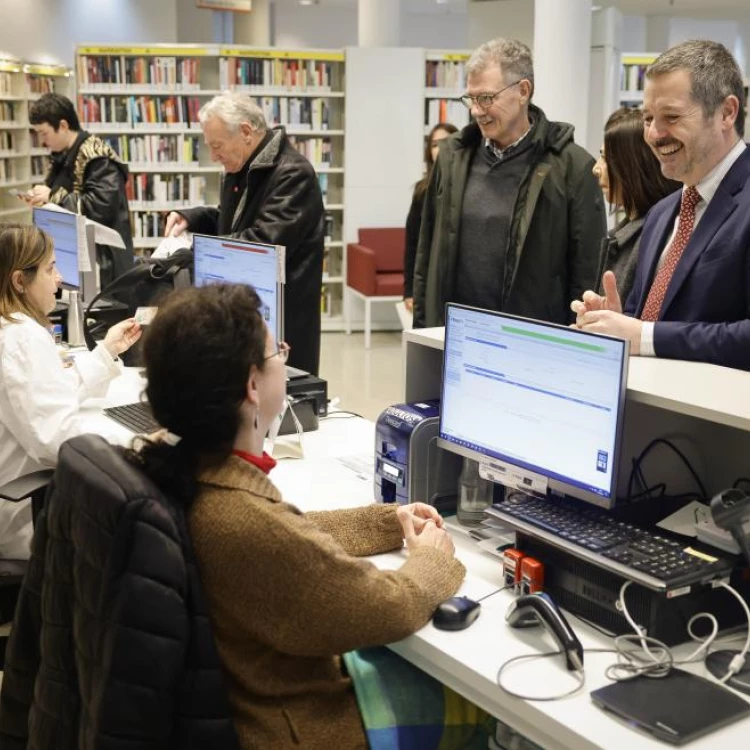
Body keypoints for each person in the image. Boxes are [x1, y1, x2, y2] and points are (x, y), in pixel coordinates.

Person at [127, 283, 469, 750]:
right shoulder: (237, 519)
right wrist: (432, 560)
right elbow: (387, 607)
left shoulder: (192, 468)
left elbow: (287, 537)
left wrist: (385, 522)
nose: (284, 362)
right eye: (277, 354)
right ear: (252, 385)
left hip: (259, 698)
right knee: (488, 714)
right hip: (299, 725)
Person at [572, 40, 750, 371]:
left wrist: (643, 336)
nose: (654, 134)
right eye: (648, 117)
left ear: (727, 112)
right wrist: (612, 322)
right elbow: (648, 321)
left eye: (671, 116)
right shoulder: (663, 213)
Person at [413, 38, 605, 329]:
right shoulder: (452, 157)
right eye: (471, 98)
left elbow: (587, 272)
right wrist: (423, 330)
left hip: (531, 341)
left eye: (487, 98)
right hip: (456, 334)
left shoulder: (573, 167)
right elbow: (426, 252)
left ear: (523, 91)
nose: (477, 110)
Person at [0, 224, 141, 559]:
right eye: (50, 269)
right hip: (23, 513)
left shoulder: (11, 329)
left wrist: (106, 351)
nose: (59, 278)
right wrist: (137, 445)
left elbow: (44, 396)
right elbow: (57, 440)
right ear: (20, 281)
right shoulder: (23, 338)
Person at [163, 92, 325, 376]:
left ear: (246, 132)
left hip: (281, 319)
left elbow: (264, 242)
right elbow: (232, 223)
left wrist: (198, 255)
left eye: (217, 146)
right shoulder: (242, 167)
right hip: (247, 310)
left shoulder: (293, 174)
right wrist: (194, 217)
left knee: (278, 404)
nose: (214, 156)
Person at [25, 93, 135, 291]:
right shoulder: (62, 156)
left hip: (104, 269)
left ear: (64, 126)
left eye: (44, 133)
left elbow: (101, 207)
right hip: (76, 260)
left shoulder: (97, 156)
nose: (42, 141)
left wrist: (51, 196)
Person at [593, 107, 680, 302]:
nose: (596, 168)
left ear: (636, 165)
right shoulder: (627, 234)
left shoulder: (653, 240)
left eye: (607, 159)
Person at [403, 122, 458, 313]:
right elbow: (412, 244)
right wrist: (409, 291)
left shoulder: (469, 189)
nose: (440, 149)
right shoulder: (422, 191)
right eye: (434, 145)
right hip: (429, 278)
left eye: (445, 143)